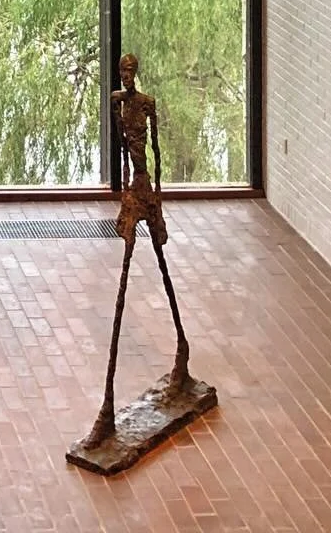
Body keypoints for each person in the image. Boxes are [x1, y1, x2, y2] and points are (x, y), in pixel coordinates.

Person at [80, 53, 192, 449]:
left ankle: (181, 352)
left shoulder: (146, 105)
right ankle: (107, 409)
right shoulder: (117, 103)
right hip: (132, 193)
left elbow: (155, 153)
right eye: (122, 72)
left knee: (160, 267)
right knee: (124, 282)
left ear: (137, 73)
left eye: (131, 71)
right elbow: (121, 150)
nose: (127, 77)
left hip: (146, 191)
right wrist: (127, 193)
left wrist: (155, 196)